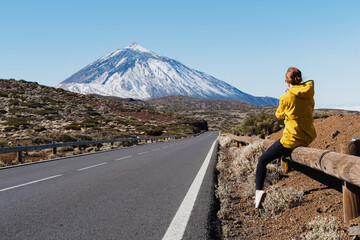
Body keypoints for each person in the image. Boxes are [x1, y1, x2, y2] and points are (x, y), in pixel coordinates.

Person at [255, 67, 317, 208]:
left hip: (291, 139)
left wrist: (287, 96)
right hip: (307, 136)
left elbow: (279, 115)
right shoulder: (309, 93)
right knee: (284, 154)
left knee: (262, 160)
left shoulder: (286, 96)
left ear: (287, 81)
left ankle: (258, 192)